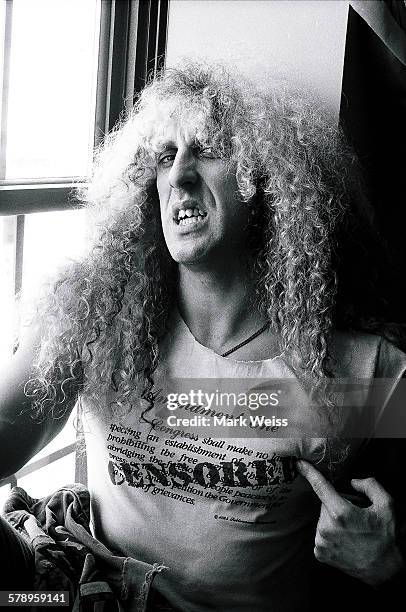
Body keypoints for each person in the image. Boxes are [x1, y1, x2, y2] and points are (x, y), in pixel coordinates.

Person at [1, 61, 405, 611]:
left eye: (208, 149)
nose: (180, 175)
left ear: (265, 181)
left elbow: (385, 543)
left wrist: (386, 568)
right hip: (75, 594)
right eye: (164, 157)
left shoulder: (362, 371)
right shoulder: (94, 319)